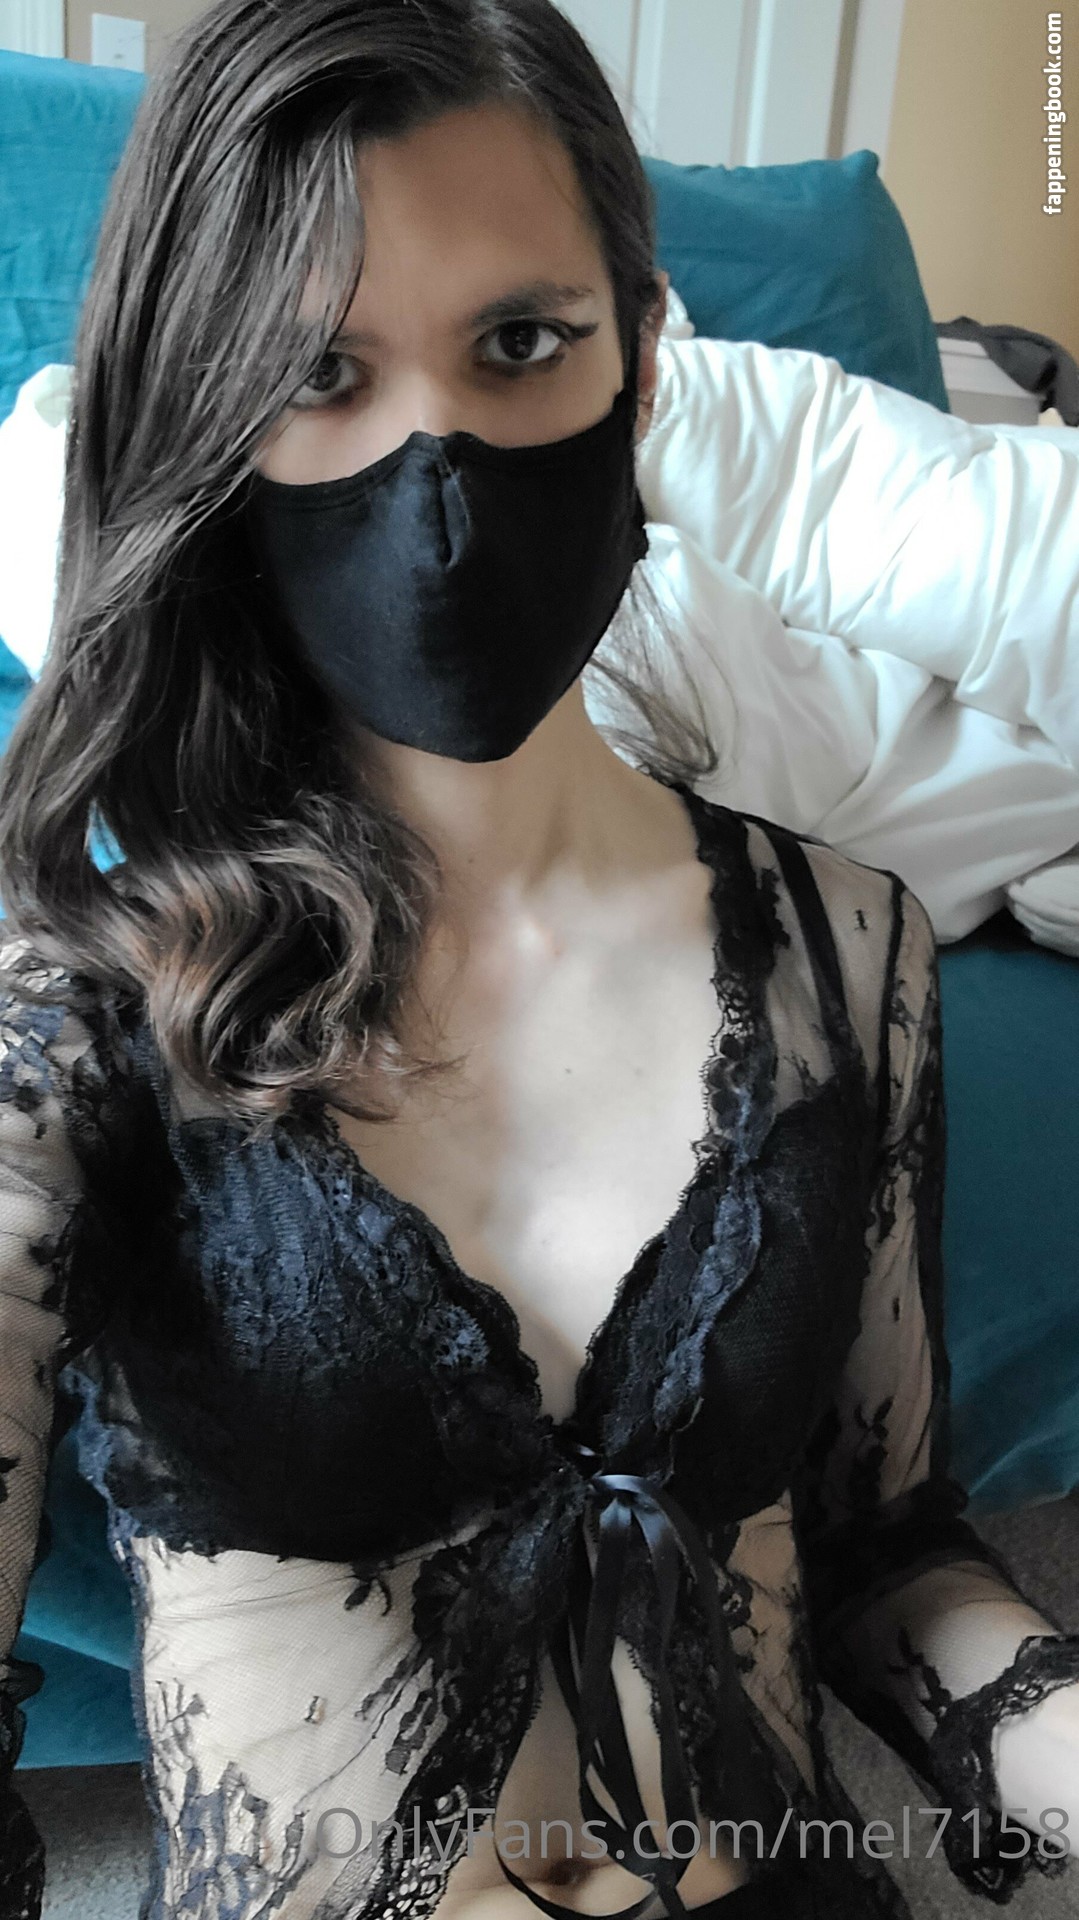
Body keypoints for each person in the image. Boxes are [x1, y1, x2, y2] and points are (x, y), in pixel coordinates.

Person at [0, 3, 1077, 1916]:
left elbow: (888, 1552)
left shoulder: (843, 945)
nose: (437, 476)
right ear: (205, 418)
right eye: (318, 374)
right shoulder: (80, 1009)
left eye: (520, 344)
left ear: (640, 357)